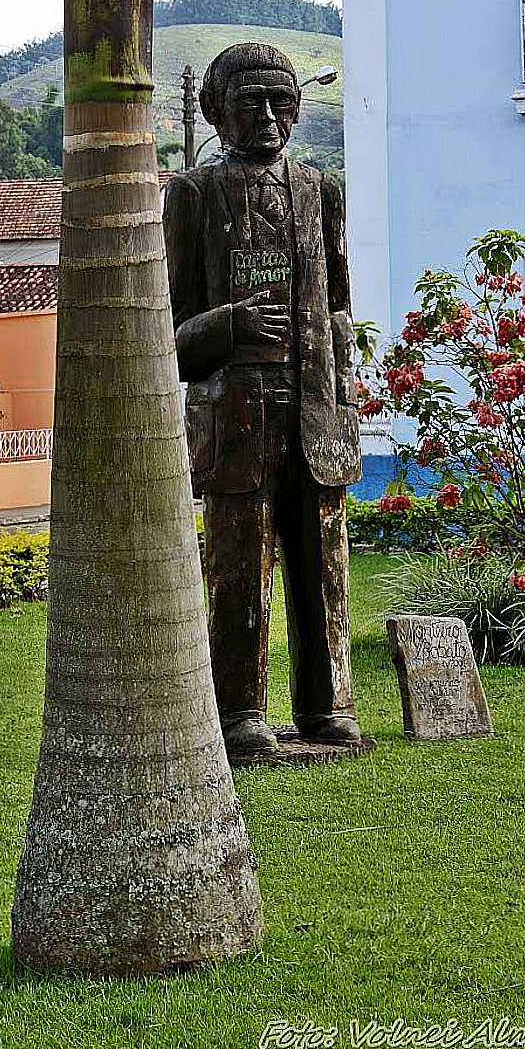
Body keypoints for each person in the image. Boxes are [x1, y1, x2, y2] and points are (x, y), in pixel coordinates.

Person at [163, 42, 362, 758]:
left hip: (315, 416)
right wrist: (229, 325)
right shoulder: (191, 195)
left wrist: (343, 394)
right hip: (236, 417)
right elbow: (167, 336)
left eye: (282, 102)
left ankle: (326, 705)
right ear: (215, 111)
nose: (271, 117)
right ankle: (240, 710)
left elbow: (338, 307)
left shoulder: (320, 190)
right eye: (251, 103)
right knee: (238, 571)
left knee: (324, 568)